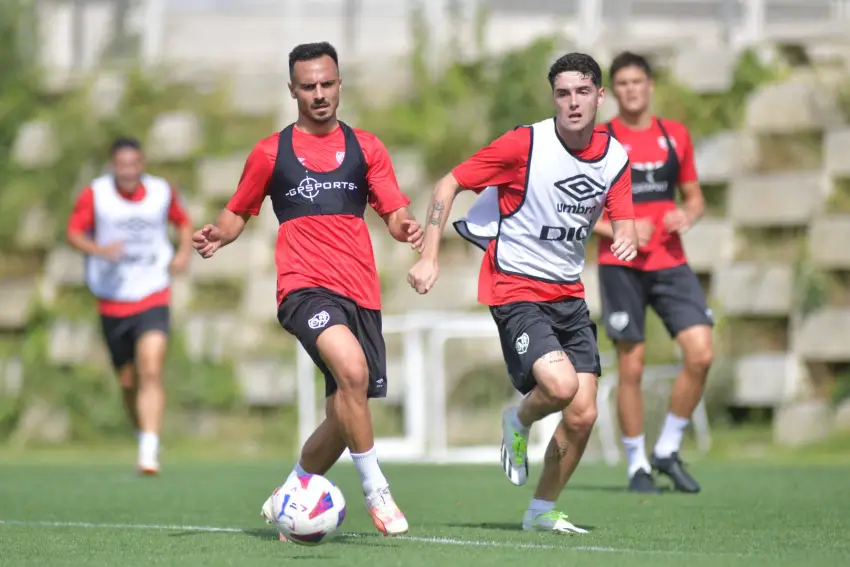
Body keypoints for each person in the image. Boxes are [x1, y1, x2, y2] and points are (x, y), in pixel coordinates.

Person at [191, 42, 422, 538]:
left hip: (360, 291)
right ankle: (378, 493)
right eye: (308, 86)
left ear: (339, 84)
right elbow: (239, 211)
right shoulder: (272, 152)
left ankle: (292, 490)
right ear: (292, 89)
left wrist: (405, 229)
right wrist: (218, 235)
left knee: (344, 415)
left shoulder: (368, 148)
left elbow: (393, 211)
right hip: (303, 290)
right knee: (353, 370)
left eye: (327, 84)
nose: (319, 94)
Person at [408, 52, 637, 533]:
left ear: (600, 95)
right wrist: (429, 255)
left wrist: (628, 235)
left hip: (569, 294)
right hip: (514, 285)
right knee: (560, 387)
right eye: (562, 93)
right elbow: (448, 183)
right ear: (553, 98)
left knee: (583, 414)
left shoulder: (615, 157)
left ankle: (540, 510)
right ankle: (517, 419)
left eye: (582, 91)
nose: (572, 102)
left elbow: (624, 215)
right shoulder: (524, 145)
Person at [592, 51, 714, 494]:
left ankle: (668, 446)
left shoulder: (674, 135)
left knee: (700, 353)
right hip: (619, 264)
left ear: (650, 85)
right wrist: (622, 227)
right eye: (621, 83)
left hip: (671, 261)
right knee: (632, 365)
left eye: (637, 82)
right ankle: (637, 464)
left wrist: (688, 215)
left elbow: (695, 197)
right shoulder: (598, 140)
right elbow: (581, 212)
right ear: (611, 92)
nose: (631, 90)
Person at [66, 136, 193, 475]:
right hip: (112, 297)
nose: (128, 171)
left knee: (151, 367)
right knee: (127, 380)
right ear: (112, 166)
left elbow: (183, 222)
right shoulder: (97, 195)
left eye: (134, 164)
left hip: (153, 290)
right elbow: (74, 233)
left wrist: (182, 255)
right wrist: (99, 250)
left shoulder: (160, 192)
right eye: (121, 165)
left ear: (142, 163)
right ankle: (142, 431)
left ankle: (148, 451)